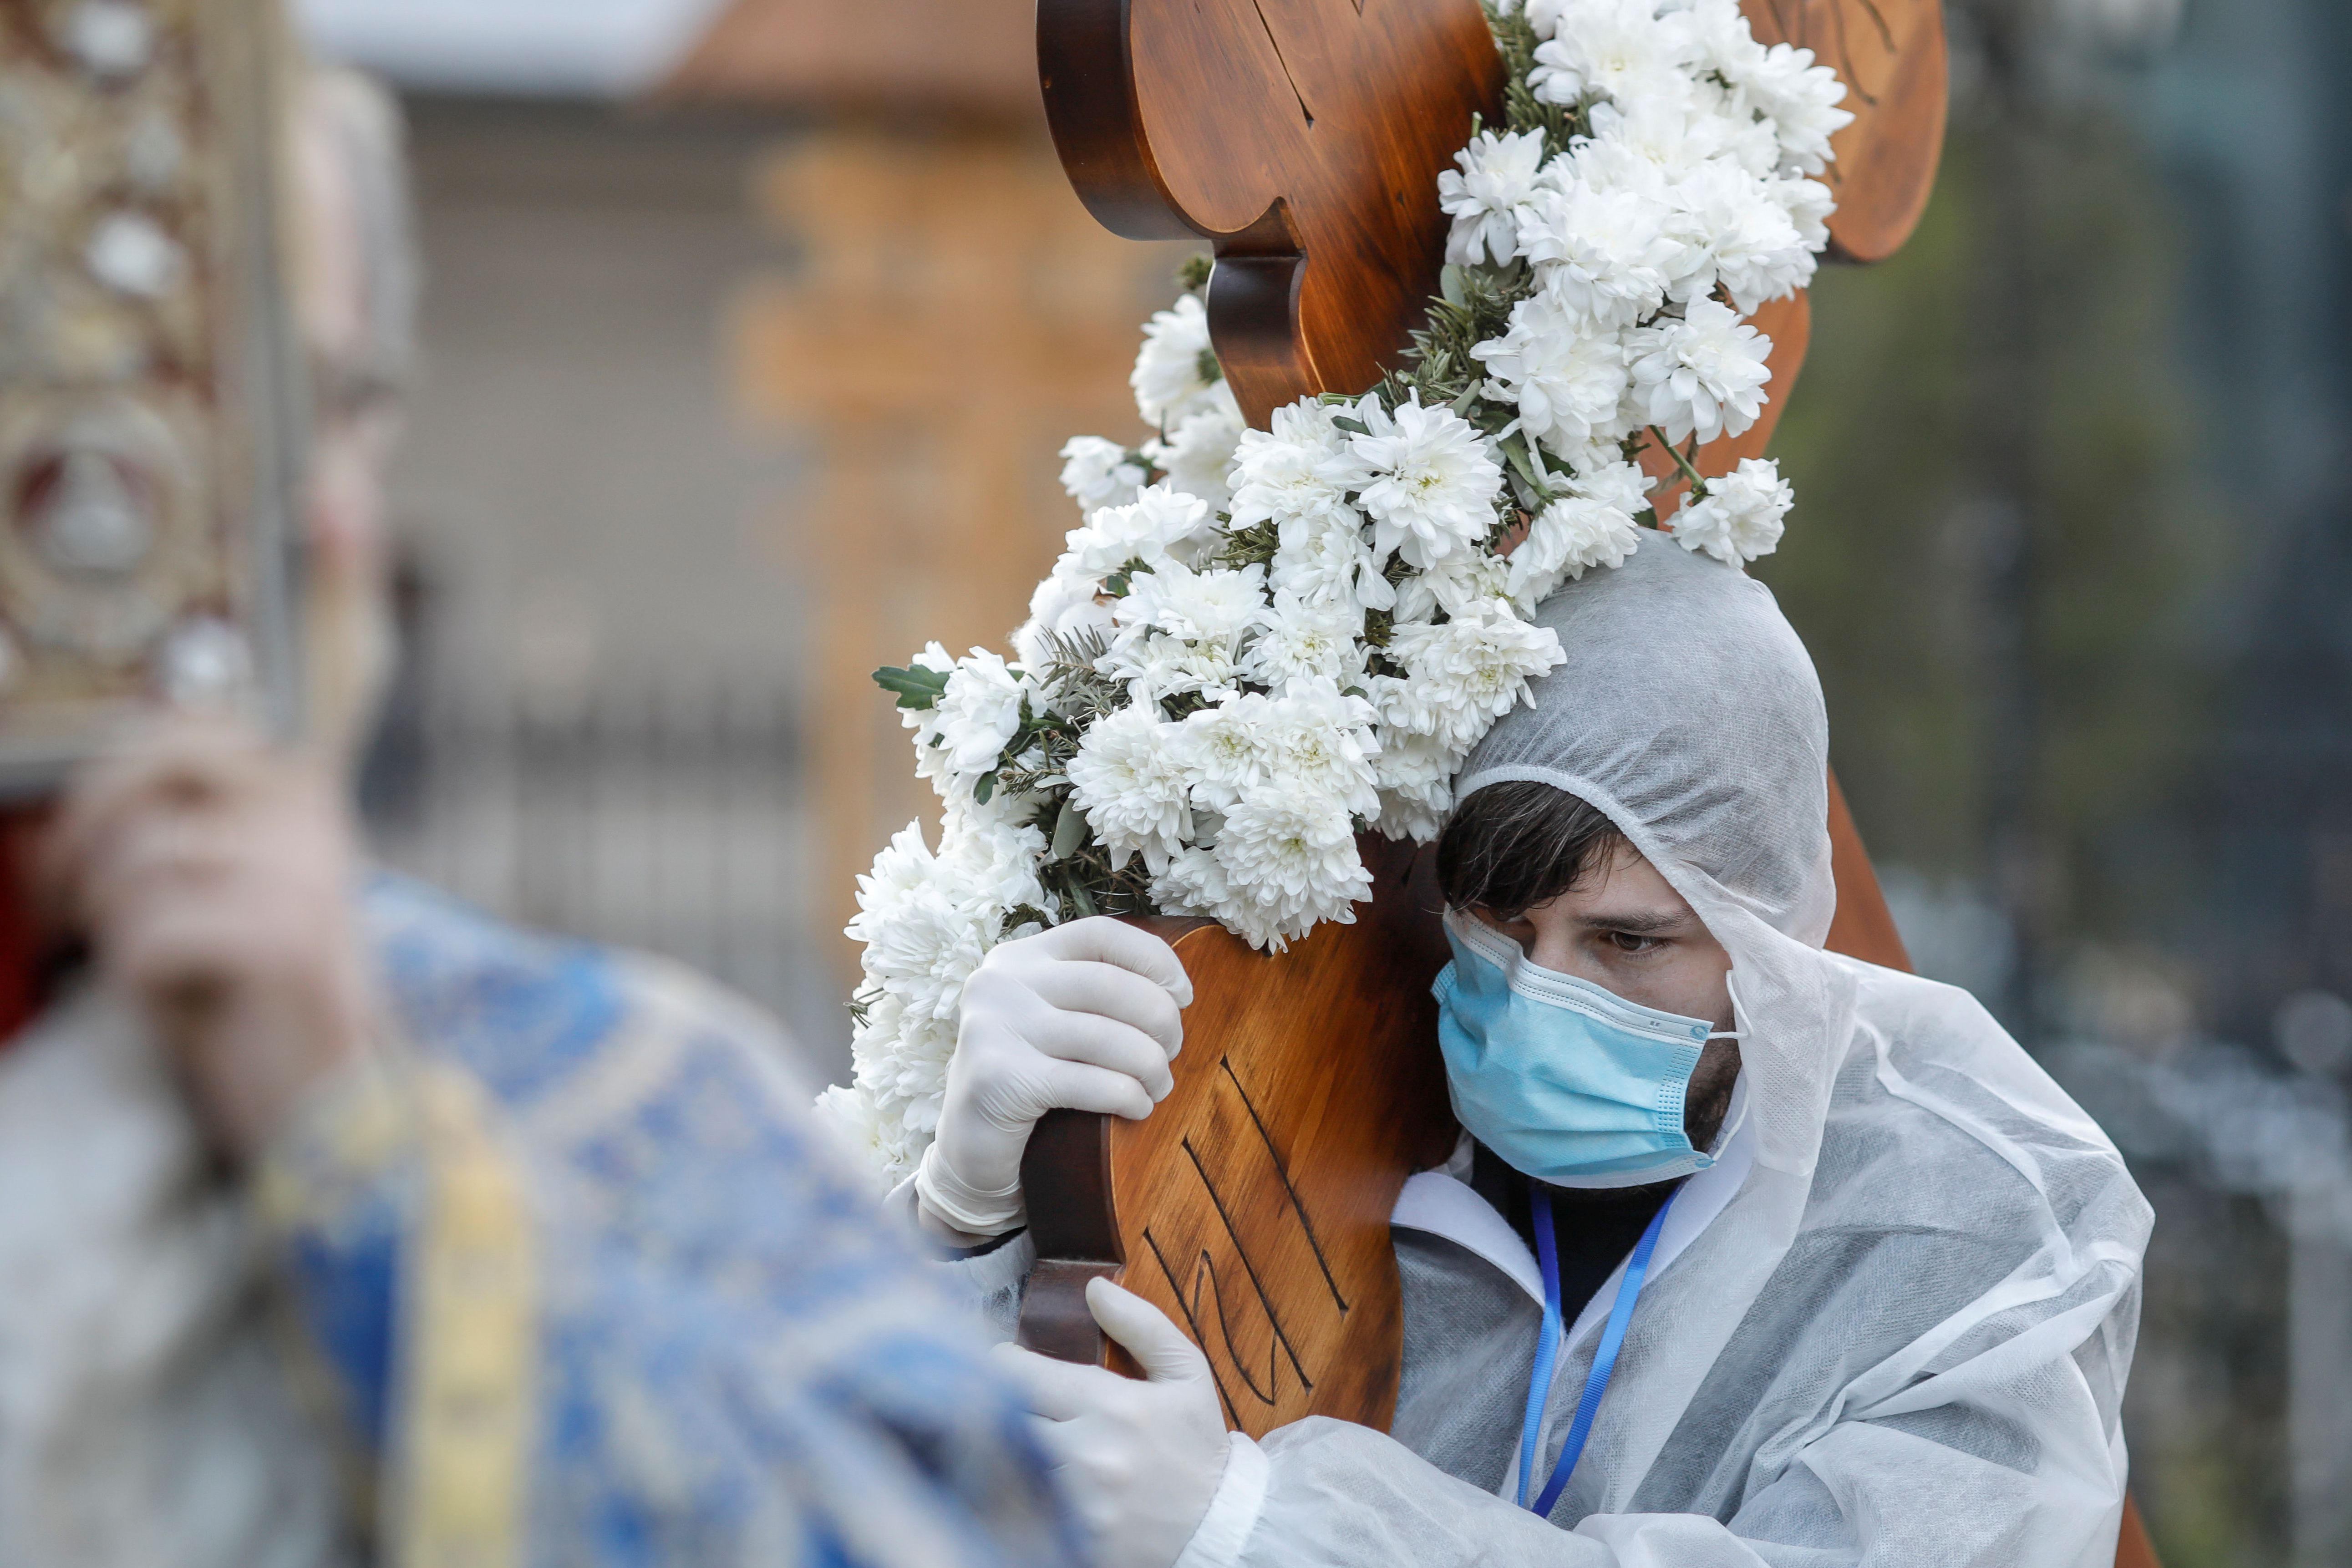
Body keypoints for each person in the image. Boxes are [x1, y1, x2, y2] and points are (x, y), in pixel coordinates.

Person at [0, 66, 1078, 1568]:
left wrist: (347, 1141)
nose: (289, 509)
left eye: (311, 405)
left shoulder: (627, 1109)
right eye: (96, 399)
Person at [913, 530, 2154, 1568]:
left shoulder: (1964, 1221)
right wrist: (968, 1225)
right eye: (1503, 928)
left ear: (1771, 937)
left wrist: (1266, 1530)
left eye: (1628, 944)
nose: (1544, 996)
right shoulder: (1349, 1116)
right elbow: (890, 1495)